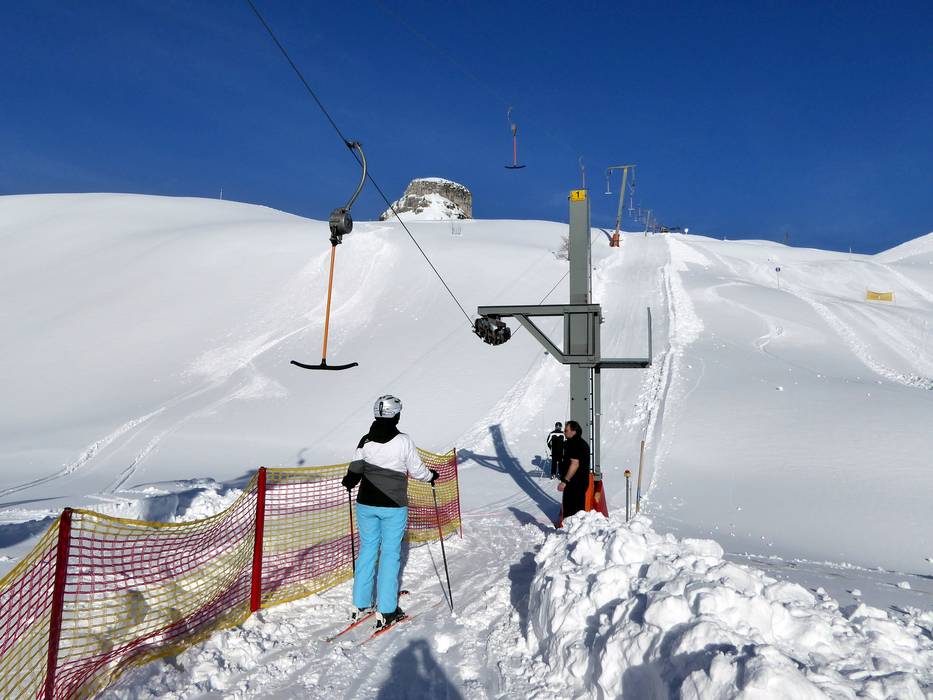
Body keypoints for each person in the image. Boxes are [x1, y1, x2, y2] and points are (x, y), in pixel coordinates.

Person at [341, 394, 438, 629]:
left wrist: (349, 482)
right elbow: (418, 471)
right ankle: (386, 610)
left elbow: (354, 471)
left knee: (368, 549)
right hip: (393, 505)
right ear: (396, 415)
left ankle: (360, 604)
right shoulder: (403, 441)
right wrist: (431, 476)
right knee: (390, 554)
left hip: (366, 504)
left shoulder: (366, 440)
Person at [556, 419, 590, 519]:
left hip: (574, 483)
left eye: (566, 430)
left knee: (571, 512)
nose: (564, 432)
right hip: (579, 482)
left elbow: (575, 464)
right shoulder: (579, 443)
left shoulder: (575, 443)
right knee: (577, 512)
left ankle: (570, 528)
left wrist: (564, 481)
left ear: (573, 431)